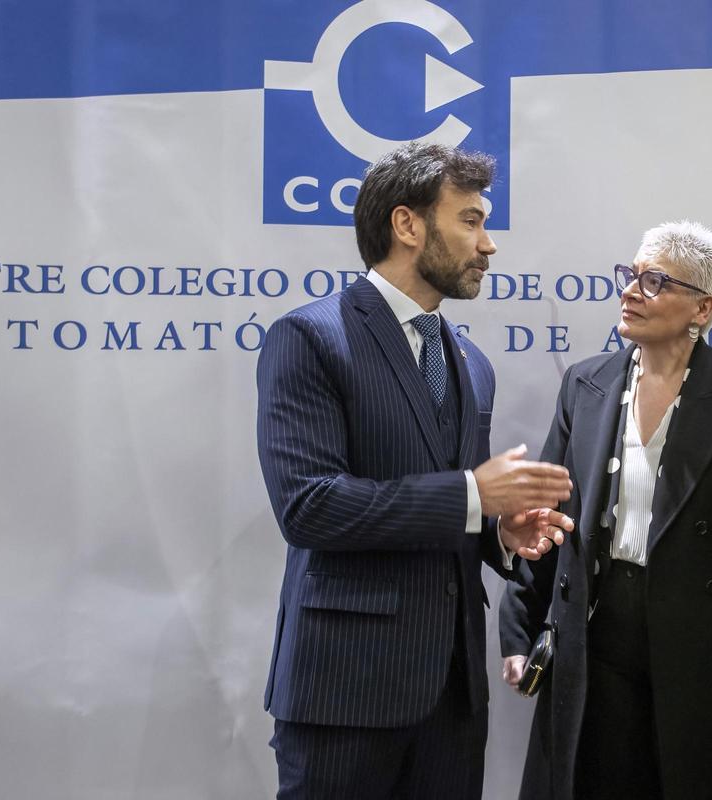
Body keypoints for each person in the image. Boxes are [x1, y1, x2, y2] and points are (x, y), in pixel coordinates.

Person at [256, 142, 574, 800]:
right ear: (408, 226)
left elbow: (451, 506)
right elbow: (309, 507)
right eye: (471, 221)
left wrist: (498, 532)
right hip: (344, 694)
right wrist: (469, 495)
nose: (488, 245)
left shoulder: (470, 362)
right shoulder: (310, 338)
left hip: (453, 699)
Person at [499, 221, 712, 800]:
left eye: (654, 280)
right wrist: (520, 630)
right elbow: (547, 516)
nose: (630, 291)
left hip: (702, 650)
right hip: (597, 636)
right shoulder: (586, 384)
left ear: (703, 306)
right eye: (631, 275)